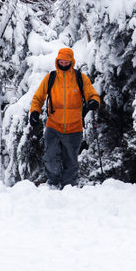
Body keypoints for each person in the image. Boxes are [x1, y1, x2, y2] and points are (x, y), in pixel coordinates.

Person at [29, 48, 100, 189]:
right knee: (50, 157)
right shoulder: (51, 78)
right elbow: (38, 97)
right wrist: (35, 112)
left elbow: (92, 94)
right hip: (53, 125)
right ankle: (54, 184)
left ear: (71, 61)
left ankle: (69, 187)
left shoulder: (80, 78)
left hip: (74, 127)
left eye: (66, 61)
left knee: (71, 161)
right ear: (57, 61)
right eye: (61, 60)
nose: (63, 63)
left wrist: (93, 101)